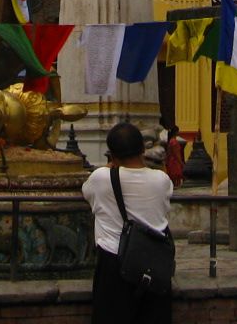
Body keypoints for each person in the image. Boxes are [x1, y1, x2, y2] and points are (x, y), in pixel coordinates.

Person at [82, 121, 173, 324]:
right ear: (143, 150)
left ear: (112, 155)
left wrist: (111, 166)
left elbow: (87, 194)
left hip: (114, 263)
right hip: (153, 265)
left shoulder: (101, 178)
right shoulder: (161, 180)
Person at [161, 120, 185, 190]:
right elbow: (176, 154)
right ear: (176, 132)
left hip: (171, 161)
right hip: (175, 162)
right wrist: (181, 163)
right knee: (176, 178)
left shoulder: (171, 141)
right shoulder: (174, 142)